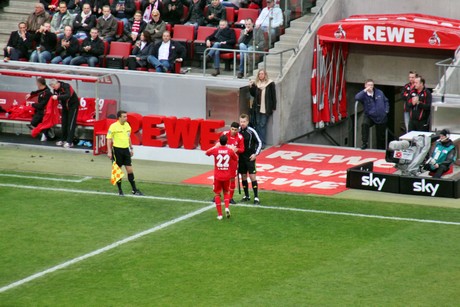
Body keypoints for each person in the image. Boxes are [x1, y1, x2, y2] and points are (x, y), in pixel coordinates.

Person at [107, 110, 144, 196]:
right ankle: (120, 190)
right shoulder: (113, 126)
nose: (126, 118)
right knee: (118, 171)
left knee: (130, 170)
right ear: (119, 117)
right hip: (117, 150)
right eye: (124, 117)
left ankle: (134, 190)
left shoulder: (127, 125)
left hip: (126, 150)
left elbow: (128, 137)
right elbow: (108, 139)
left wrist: (131, 148)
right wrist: (109, 151)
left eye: (126, 116)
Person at [206, 134, 238, 220]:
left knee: (217, 194)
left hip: (218, 176)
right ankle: (227, 207)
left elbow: (207, 152)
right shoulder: (229, 151)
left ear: (219, 142)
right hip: (227, 175)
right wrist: (232, 150)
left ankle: (220, 214)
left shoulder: (216, 150)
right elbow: (236, 158)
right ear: (227, 142)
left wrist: (215, 146)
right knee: (226, 192)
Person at [355, 79, 389, 150]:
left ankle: (380, 150)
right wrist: (365, 90)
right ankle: (364, 143)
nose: (370, 87)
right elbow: (357, 97)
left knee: (380, 136)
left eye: (371, 85)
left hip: (381, 116)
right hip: (370, 116)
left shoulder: (379, 92)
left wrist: (386, 110)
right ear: (365, 85)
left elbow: (386, 101)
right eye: (369, 85)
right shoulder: (364, 95)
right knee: (364, 124)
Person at [238, 113, 262, 205]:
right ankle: (246, 195)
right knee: (243, 176)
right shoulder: (238, 131)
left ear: (247, 122)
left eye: (244, 122)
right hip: (241, 158)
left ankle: (256, 197)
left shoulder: (251, 131)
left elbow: (259, 142)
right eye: (241, 121)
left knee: (252, 177)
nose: (242, 123)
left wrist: (255, 154)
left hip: (250, 158)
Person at [249, 69, 276, 148]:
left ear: (265, 75)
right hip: (257, 108)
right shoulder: (256, 84)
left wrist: (273, 106)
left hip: (265, 108)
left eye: (262, 74)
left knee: (262, 125)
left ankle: (262, 143)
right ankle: (258, 143)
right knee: (257, 125)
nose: (261, 75)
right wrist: (251, 87)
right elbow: (253, 94)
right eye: (259, 74)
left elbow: (273, 96)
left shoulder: (270, 84)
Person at [49, 79, 80, 149]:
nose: (53, 89)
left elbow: (68, 95)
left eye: (53, 87)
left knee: (71, 123)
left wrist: (58, 97)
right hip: (64, 107)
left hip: (73, 106)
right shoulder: (56, 90)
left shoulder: (66, 86)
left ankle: (69, 142)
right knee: (64, 122)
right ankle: (63, 139)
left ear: (57, 84)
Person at [220, 122, 245, 204]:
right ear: (230, 128)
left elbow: (242, 149)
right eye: (232, 129)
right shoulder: (224, 134)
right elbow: (219, 144)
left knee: (232, 178)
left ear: (238, 130)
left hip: (233, 161)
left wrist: (236, 149)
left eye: (235, 130)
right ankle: (217, 196)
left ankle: (230, 198)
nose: (233, 131)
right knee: (220, 178)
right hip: (224, 159)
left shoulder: (240, 137)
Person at [26, 77, 53, 142]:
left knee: (33, 123)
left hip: (44, 112)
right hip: (39, 111)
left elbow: (41, 105)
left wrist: (32, 104)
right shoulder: (43, 90)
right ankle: (45, 132)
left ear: (39, 84)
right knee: (33, 123)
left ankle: (45, 132)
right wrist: (31, 94)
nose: (36, 85)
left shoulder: (47, 93)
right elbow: (37, 92)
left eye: (37, 83)